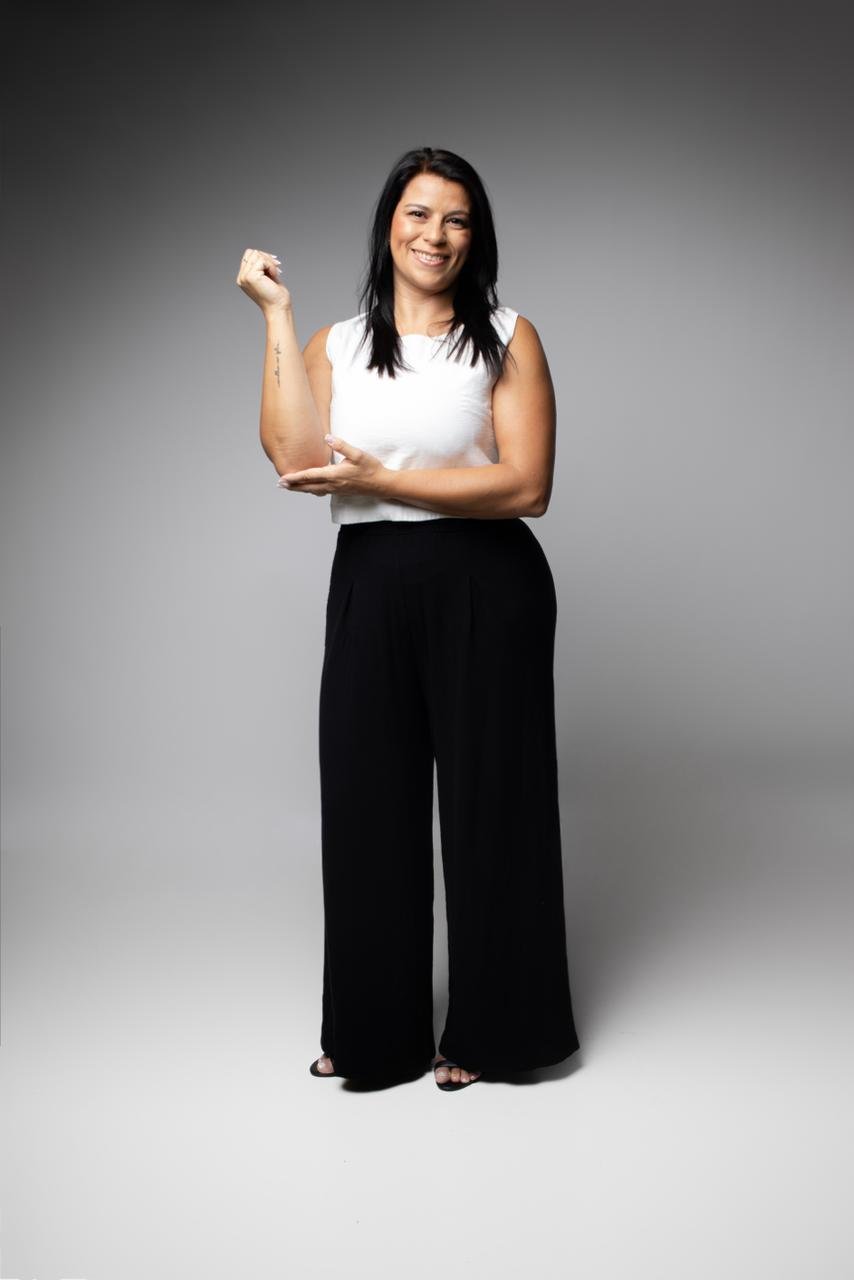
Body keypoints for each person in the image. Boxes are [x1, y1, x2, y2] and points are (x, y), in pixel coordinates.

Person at [236, 146, 580, 1091]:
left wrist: (384, 478)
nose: (436, 235)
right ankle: (372, 1034)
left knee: (494, 808)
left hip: (489, 583)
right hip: (372, 579)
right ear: (389, 225)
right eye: (419, 214)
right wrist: (276, 314)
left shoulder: (507, 336)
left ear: (477, 237)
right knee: (366, 806)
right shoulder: (337, 344)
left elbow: (528, 486)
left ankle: (497, 1032)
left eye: (457, 219)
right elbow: (295, 457)